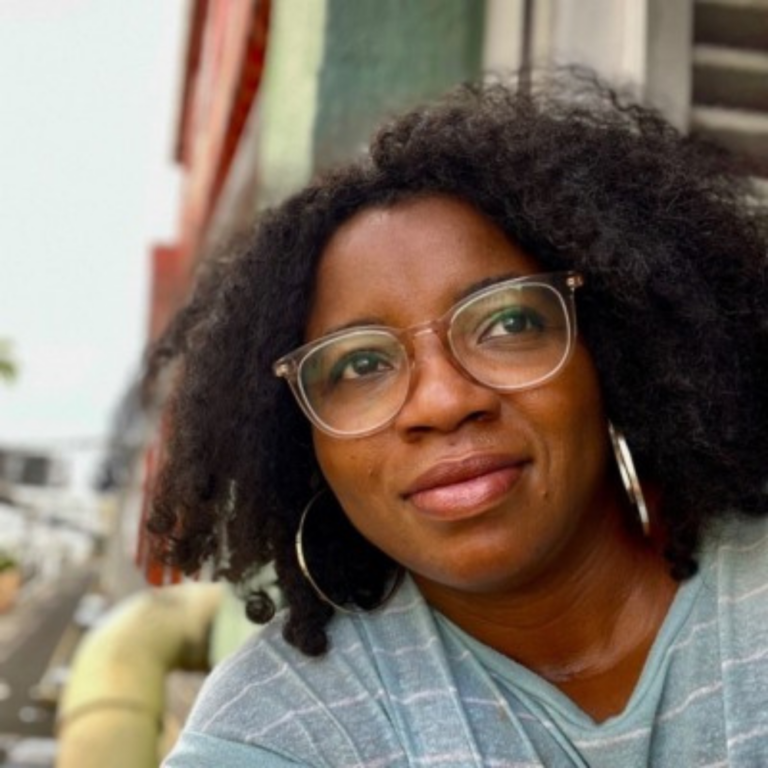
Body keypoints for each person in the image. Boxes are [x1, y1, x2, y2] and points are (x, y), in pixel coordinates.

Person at [152, 73, 768, 766]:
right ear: (302, 441)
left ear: (614, 346)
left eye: (505, 322)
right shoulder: (277, 733)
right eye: (358, 366)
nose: (444, 402)